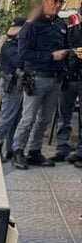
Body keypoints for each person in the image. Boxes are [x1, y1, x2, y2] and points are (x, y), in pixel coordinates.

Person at [11, 0, 70, 170]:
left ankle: (34, 151)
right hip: (36, 78)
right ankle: (17, 151)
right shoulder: (32, 25)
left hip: (55, 79)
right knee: (28, 118)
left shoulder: (61, 25)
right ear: (45, 1)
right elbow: (23, 54)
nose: (58, 5)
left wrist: (66, 61)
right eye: (55, 1)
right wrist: (51, 56)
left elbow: (65, 47)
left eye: (61, 2)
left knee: (45, 119)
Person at [50, 12, 82, 166]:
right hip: (68, 77)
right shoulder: (68, 29)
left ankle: (80, 152)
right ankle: (62, 148)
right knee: (64, 116)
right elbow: (61, 49)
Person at [0, 18, 26, 161]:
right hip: (11, 85)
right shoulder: (10, 46)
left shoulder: (11, 44)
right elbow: (20, 61)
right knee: (7, 118)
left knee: (15, 119)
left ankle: (10, 149)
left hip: (15, 85)